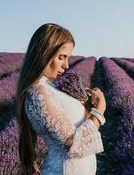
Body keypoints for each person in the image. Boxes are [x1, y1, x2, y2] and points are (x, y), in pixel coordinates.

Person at [16, 23, 107, 175]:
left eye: (68, 58)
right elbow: (72, 145)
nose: (66, 65)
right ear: (44, 54)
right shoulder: (37, 93)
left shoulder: (49, 88)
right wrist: (99, 112)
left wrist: (88, 109)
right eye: (61, 57)